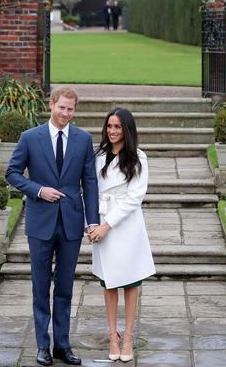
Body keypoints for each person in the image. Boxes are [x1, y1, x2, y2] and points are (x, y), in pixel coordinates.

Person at [6, 86, 99, 367]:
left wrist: (92, 220)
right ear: (51, 105)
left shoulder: (83, 139)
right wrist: (38, 190)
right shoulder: (30, 138)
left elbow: (90, 182)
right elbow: (11, 173)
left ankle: (62, 345)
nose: (66, 114)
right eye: (62, 108)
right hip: (40, 222)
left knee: (65, 287)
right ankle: (42, 346)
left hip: (71, 222)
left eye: (71, 109)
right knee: (40, 285)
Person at [88, 107, 155, 362]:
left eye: (117, 127)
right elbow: (89, 190)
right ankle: (112, 335)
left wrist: (107, 225)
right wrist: (92, 224)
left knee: (130, 281)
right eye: (109, 126)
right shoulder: (98, 155)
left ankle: (128, 337)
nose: (112, 131)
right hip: (101, 221)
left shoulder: (138, 157)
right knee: (108, 282)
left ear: (127, 129)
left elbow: (135, 197)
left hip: (125, 225)